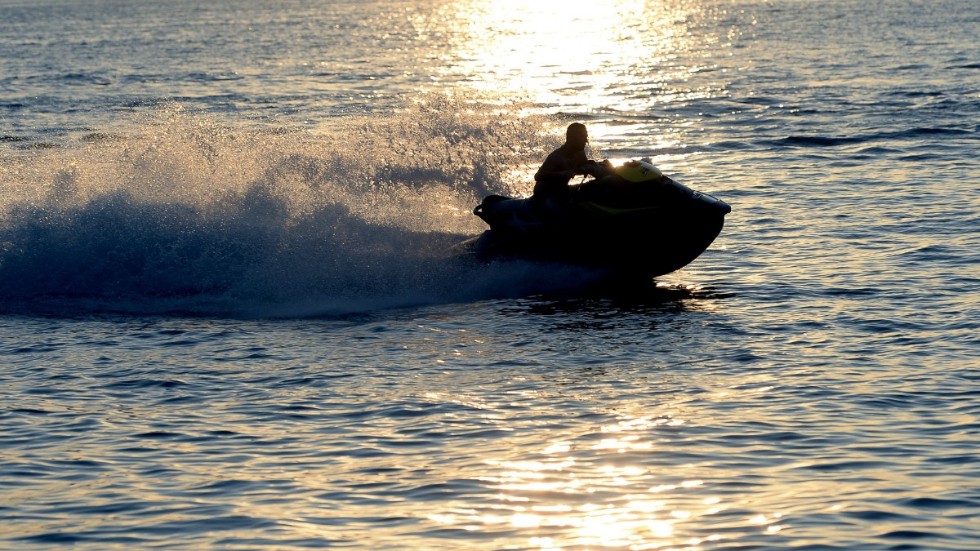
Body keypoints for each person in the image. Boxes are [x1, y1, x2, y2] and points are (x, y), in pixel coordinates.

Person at [532, 122, 606, 202]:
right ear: (571, 138)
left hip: (563, 191)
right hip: (545, 197)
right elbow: (538, 176)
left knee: (597, 186)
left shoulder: (580, 152)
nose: (586, 140)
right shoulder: (557, 157)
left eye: (586, 136)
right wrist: (564, 173)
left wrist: (598, 166)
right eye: (582, 136)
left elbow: (582, 166)